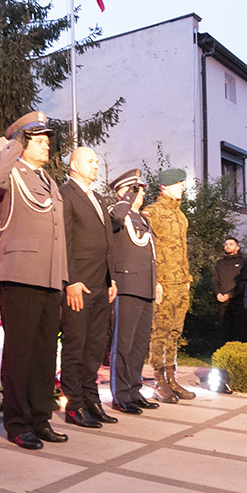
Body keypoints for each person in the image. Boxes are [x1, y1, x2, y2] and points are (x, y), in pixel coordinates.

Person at [0, 111, 68, 451]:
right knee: (21, 352)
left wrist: (63, 276)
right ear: (23, 142)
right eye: (40, 139)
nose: (47, 145)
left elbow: (58, 234)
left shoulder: (48, 180)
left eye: (48, 140)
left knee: (46, 352)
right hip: (20, 274)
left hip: (49, 276)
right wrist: (15, 143)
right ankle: (17, 422)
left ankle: (39, 418)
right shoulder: (10, 173)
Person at [60, 147, 118, 428]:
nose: (96, 165)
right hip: (79, 284)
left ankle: (91, 399)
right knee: (75, 344)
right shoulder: (65, 194)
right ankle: (74, 404)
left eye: (97, 161)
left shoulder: (98, 197)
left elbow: (108, 243)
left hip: (100, 283)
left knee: (95, 346)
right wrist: (70, 279)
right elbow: (65, 241)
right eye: (90, 161)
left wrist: (111, 279)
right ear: (73, 166)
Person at [108, 169, 162, 414]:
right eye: (136, 189)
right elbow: (116, 217)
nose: (141, 194)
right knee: (124, 343)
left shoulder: (143, 218)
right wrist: (127, 197)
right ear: (124, 190)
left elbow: (150, 256)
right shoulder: (116, 211)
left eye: (140, 190)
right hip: (127, 286)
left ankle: (133, 389)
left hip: (145, 287)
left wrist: (156, 283)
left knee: (140, 344)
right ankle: (120, 395)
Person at [144, 168, 195, 403]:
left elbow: (183, 251)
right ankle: (158, 381)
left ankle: (172, 379)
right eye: (178, 183)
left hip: (180, 284)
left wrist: (186, 280)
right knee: (160, 333)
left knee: (175, 333)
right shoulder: (151, 213)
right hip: (163, 284)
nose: (182, 186)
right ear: (164, 186)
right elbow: (148, 251)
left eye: (182, 183)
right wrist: (154, 281)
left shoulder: (181, 216)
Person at [212, 237, 247, 345]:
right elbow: (215, 280)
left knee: (241, 331)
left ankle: (242, 357)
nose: (228, 246)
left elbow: (244, 282)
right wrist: (218, 293)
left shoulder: (244, 262)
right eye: (226, 244)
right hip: (223, 302)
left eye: (231, 244)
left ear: (237, 248)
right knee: (225, 332)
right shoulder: (219, 263)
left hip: (239, 302)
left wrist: (230, 295)